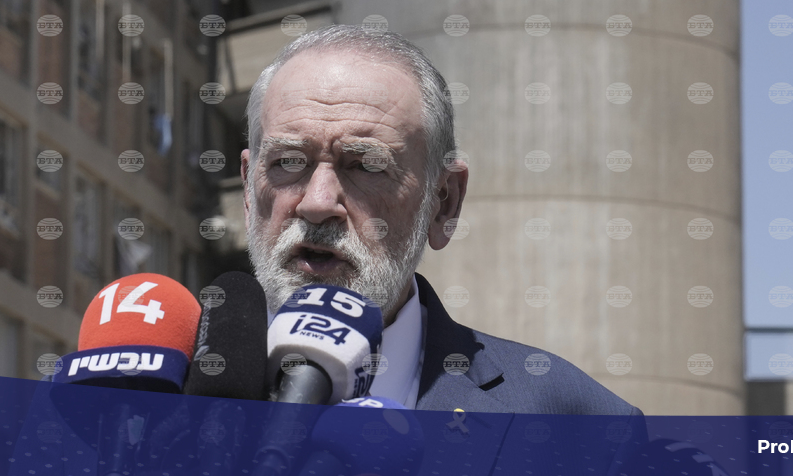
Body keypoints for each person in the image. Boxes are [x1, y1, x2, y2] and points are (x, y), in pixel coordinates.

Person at [241, 24, 640, 417]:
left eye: (366, 166)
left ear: (444, 202)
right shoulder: (200, 387)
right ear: (247, 188)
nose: (318, 203)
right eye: (287, 162)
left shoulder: (579, 419)